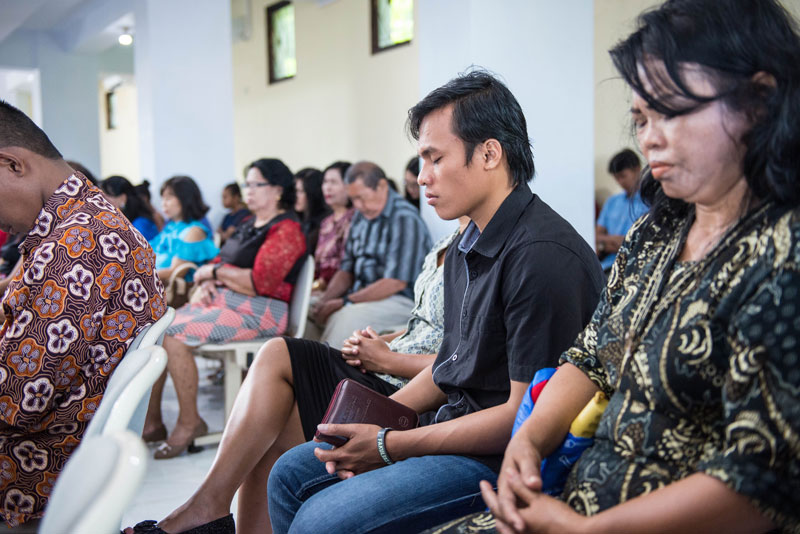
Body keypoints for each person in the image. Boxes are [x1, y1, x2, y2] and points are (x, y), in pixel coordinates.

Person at [434, 2, 800, 533]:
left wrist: (587, 530)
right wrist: (529, 438)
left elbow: (760, 477)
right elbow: (592, 356)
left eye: (670, 111)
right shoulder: (657, 231)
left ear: (759, 101)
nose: (649, 137)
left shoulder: (783, 252)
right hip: (580, 495)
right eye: (641, 119)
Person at [267, 71, 604, 534]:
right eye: (420, 159)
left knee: (321, 520)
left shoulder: (543, 256)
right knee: (288, 473)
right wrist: (381, 419)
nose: (422, 177)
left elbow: (523, 417)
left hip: (498, 459)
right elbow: (451, 365)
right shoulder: (465, 244)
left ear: (489, 153)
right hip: (450, 427)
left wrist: (390, 444)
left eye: (434, 158)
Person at [128, 215, 466, 534]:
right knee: (265, 431)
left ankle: (204, 509)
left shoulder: (487, 254)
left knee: (277, 352)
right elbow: (421, 326)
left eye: (435, 159)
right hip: (391, 364)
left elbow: (462, 358)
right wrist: (380, 343)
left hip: (407, 385)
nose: (424, 178)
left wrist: (387, 360)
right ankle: (207, 509)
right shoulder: (447, 242)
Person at [0, 100, 164, 526]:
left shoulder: (79, 245)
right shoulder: (79, 223)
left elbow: (16, 401)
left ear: (12, 164)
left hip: (31, 465)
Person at [143, 158, 307, 460]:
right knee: (154, 329)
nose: (248, 190)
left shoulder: (286, 230)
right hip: (226, 302)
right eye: (247, 184)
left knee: (171, 333)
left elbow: (260, 282)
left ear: (278, 190)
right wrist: (208, 281)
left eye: (256, 184)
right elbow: (220, 260)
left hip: (260, 311)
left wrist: (213, 276)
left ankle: (190, 422)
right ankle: (152, 423)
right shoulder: (248, 223)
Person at [309, 161, 432, 349]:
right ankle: (305, 370)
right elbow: (346, 270)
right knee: (310, 310)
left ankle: (328, 375)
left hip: (399, 300)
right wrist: (326, 300)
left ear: (382, 186)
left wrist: (344, 302)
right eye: (353, 199)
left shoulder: (404, 218)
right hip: (361, 297)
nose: (359, 205)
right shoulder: (360, 217)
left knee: (345, 317)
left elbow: (394, 283)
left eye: (362, 197)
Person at [149, 175, 219, 283]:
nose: (163, 204)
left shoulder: (194, 231)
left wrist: (140, 276)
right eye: (162, 198)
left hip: (171, 292)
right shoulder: (171, 227)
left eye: (168, 198)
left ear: (185, 199)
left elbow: (175, 271)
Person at [595, 148, 647, 272]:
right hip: (607, 266)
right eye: (616, 178)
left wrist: (605, 243)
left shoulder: (649, 202)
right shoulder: (612, 202)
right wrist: (617, 241)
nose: (620, 182)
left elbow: (640, 244)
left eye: (623, 176)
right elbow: (596, 235)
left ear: (637, 169)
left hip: (634, 268)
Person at [313, 161, 355, 290]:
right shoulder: (326, 222)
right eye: (325, 182)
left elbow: (346, 264)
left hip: (339, 288)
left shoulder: (354, 218)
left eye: (333, 182)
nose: (327, 187)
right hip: (318, 287)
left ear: (348, 185)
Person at [101, 175, 160, 240]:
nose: (103, 201)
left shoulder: (140, 224)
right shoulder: (136, 221)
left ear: (122, 197)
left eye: (106, 196)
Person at [294, 167, 328, 255]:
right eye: (294, 191)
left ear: (313, 193)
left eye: (300, 191)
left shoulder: (324, 223)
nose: (295, 196)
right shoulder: (296, 220)